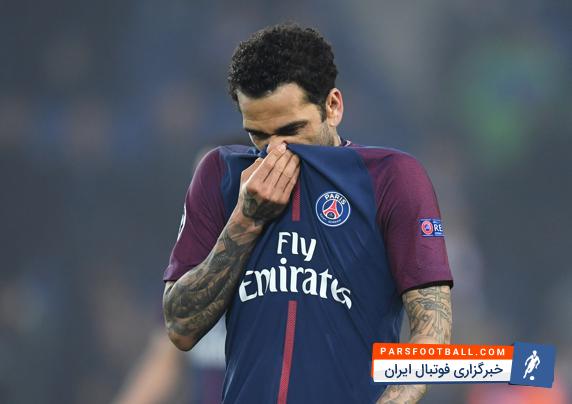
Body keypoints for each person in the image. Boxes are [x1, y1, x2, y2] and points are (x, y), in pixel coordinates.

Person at [162, 23, 453, 404]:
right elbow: (181, 327)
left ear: (333, 106)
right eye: (258, 135)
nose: (275, 151)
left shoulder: (391, 178)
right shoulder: (221, 174)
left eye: (291, 129)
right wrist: (246, 220)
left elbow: (432, 329)